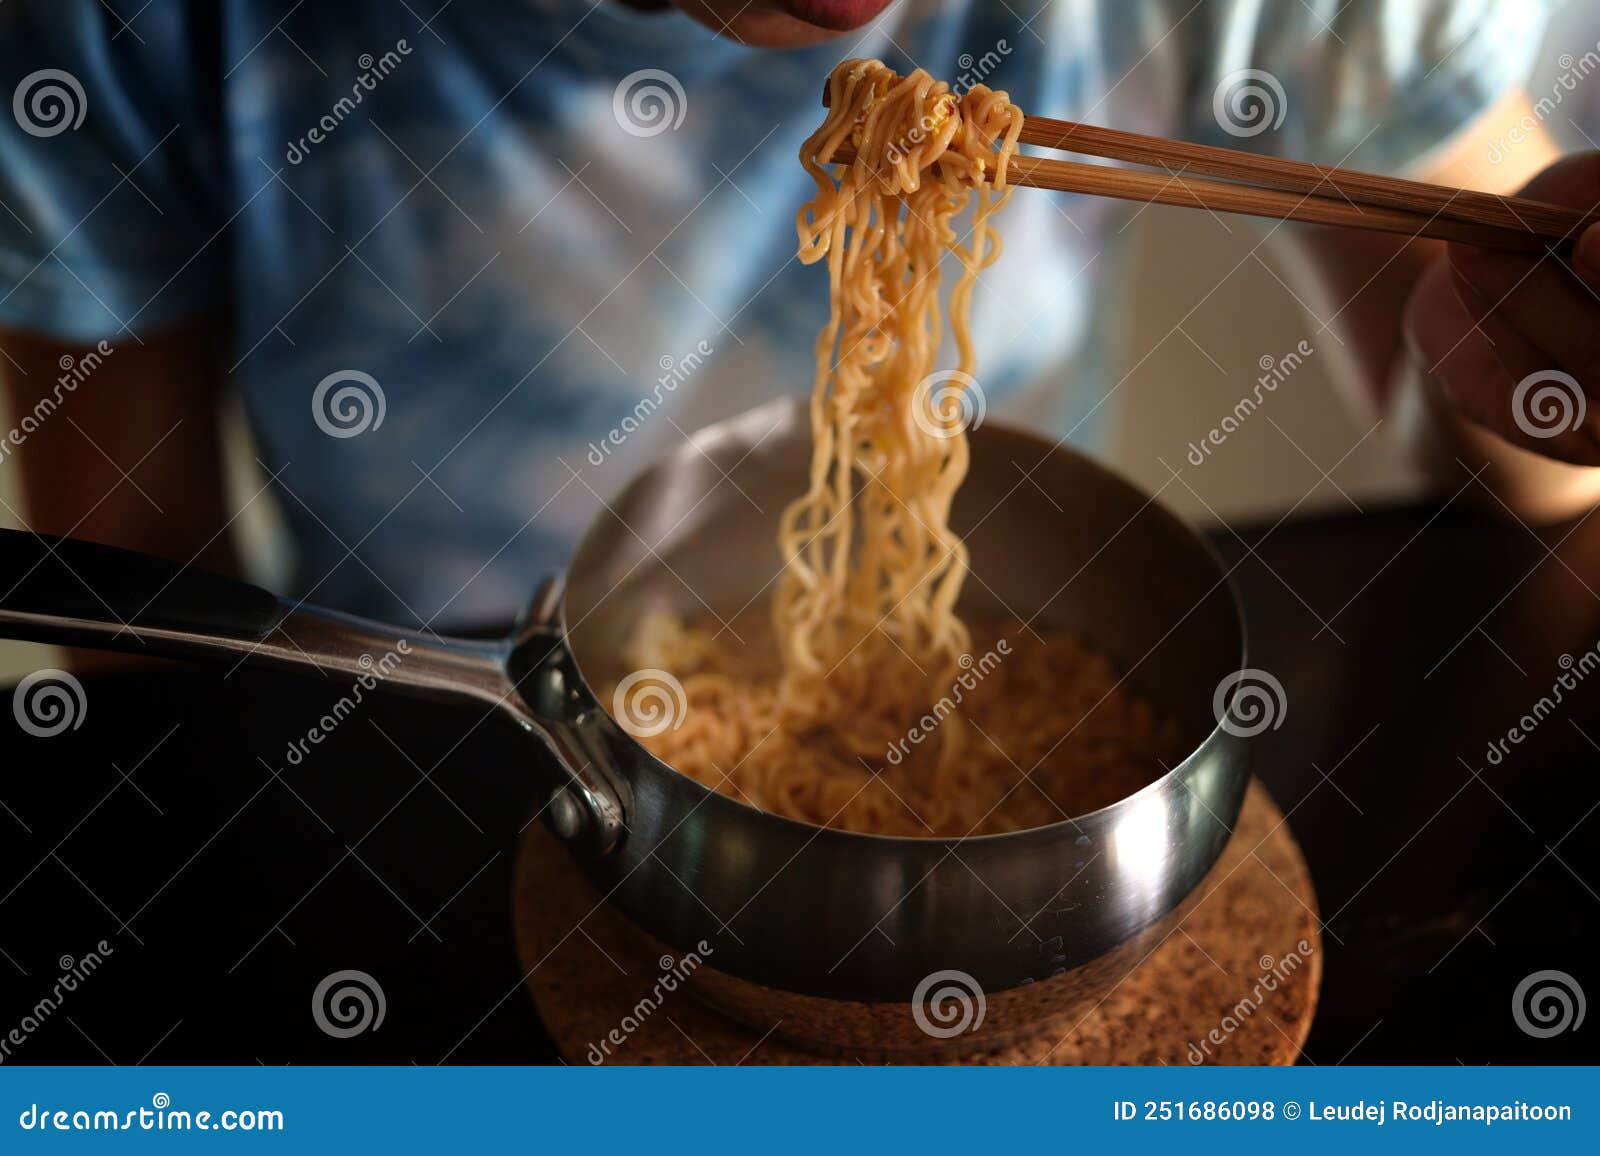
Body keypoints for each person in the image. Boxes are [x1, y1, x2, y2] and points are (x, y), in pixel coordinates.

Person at [0, 0, 1595, 633]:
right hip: (440, 744)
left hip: (984, 678)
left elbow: (1525, 469)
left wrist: (1532, 374)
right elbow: (130, 578)